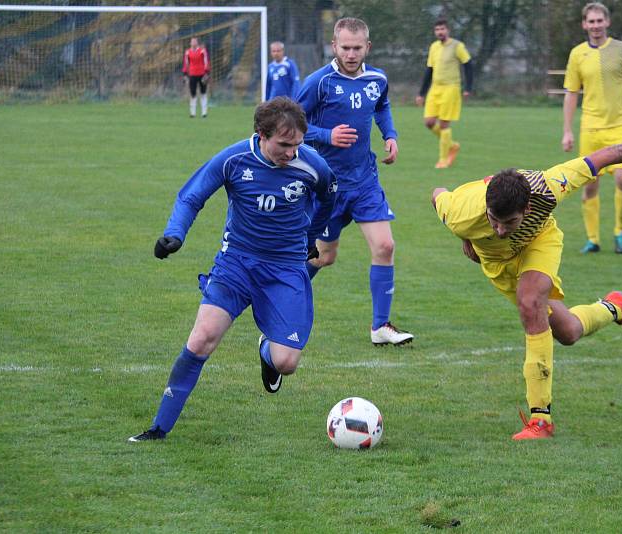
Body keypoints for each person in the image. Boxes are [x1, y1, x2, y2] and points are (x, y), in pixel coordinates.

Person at [431, 124, 622, 440]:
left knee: (530, 301)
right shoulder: (461, 213)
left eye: (509, 222)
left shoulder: (549, 186)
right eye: (494, 220)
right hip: (498, 264)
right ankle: (614, 308)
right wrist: (466, 236)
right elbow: (437, 193)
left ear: (528, 208)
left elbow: (604, 157)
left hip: (538, 243)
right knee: (568, 332)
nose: (500, 230)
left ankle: (540, 420)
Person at [129, 97, 336, 442]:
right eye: (284, 145)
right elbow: (191, 197)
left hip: (285, 269)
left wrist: (311, 237)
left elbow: (328, 197)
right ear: (261, 134)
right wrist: (174, 234)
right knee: (201, 340)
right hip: (236, 264)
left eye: (297, 144)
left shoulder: (313, 166)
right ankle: (158, 428)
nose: (291, 153)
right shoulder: (234, 159)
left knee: (287, 362)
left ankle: (266, 353)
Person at [297, 17, 414, 346]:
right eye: (345, 47)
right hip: (327, 186)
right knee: (323, 257)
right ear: (334, 46)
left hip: (365, 182)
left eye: (357, 48)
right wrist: (326, 134)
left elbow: (382, 105)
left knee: (385, 246)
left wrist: (389, 135)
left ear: (367, 47)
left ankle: (380, 326)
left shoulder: (377, 78)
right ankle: (278, 296)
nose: (351, 53)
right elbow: (291, 122)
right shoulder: (318, 82)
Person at [561, 2, 622, 254]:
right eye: (591, 21)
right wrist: (567, 130)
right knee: (590, 186)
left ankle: (620, 232)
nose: (596, 25)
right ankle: (593, 239)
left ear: (607, 22)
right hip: (590, 129)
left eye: (599, 21)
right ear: (584, 24)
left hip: (620, 126)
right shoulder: (577, 54)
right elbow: (571, 93)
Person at [415, 18, 473, 169]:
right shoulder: (434, 47)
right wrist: (421, 93)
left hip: (451, 88)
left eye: (442, 29)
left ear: (448, 30)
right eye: (437, 30)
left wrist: (468, 88)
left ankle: (443, 159)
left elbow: (468, 65)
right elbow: (429, 70)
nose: (440, 32)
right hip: (435, 89)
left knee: (444, 124)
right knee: (429, 122)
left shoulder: (457, 46)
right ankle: (452, 145)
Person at [182, 37, 211, 118]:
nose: (193, 43)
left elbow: (206, 62)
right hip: (192, 75)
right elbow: (186, 64)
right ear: (190, 43)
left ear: (197, 43)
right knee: (193, 94)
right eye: (192, 42)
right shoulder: (187, 52)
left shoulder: (202, 51)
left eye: (195, 41)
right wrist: (185, 74)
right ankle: (192, 113)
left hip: (202, 74)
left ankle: (204, 113)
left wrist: (207, 73)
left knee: (203, 93)